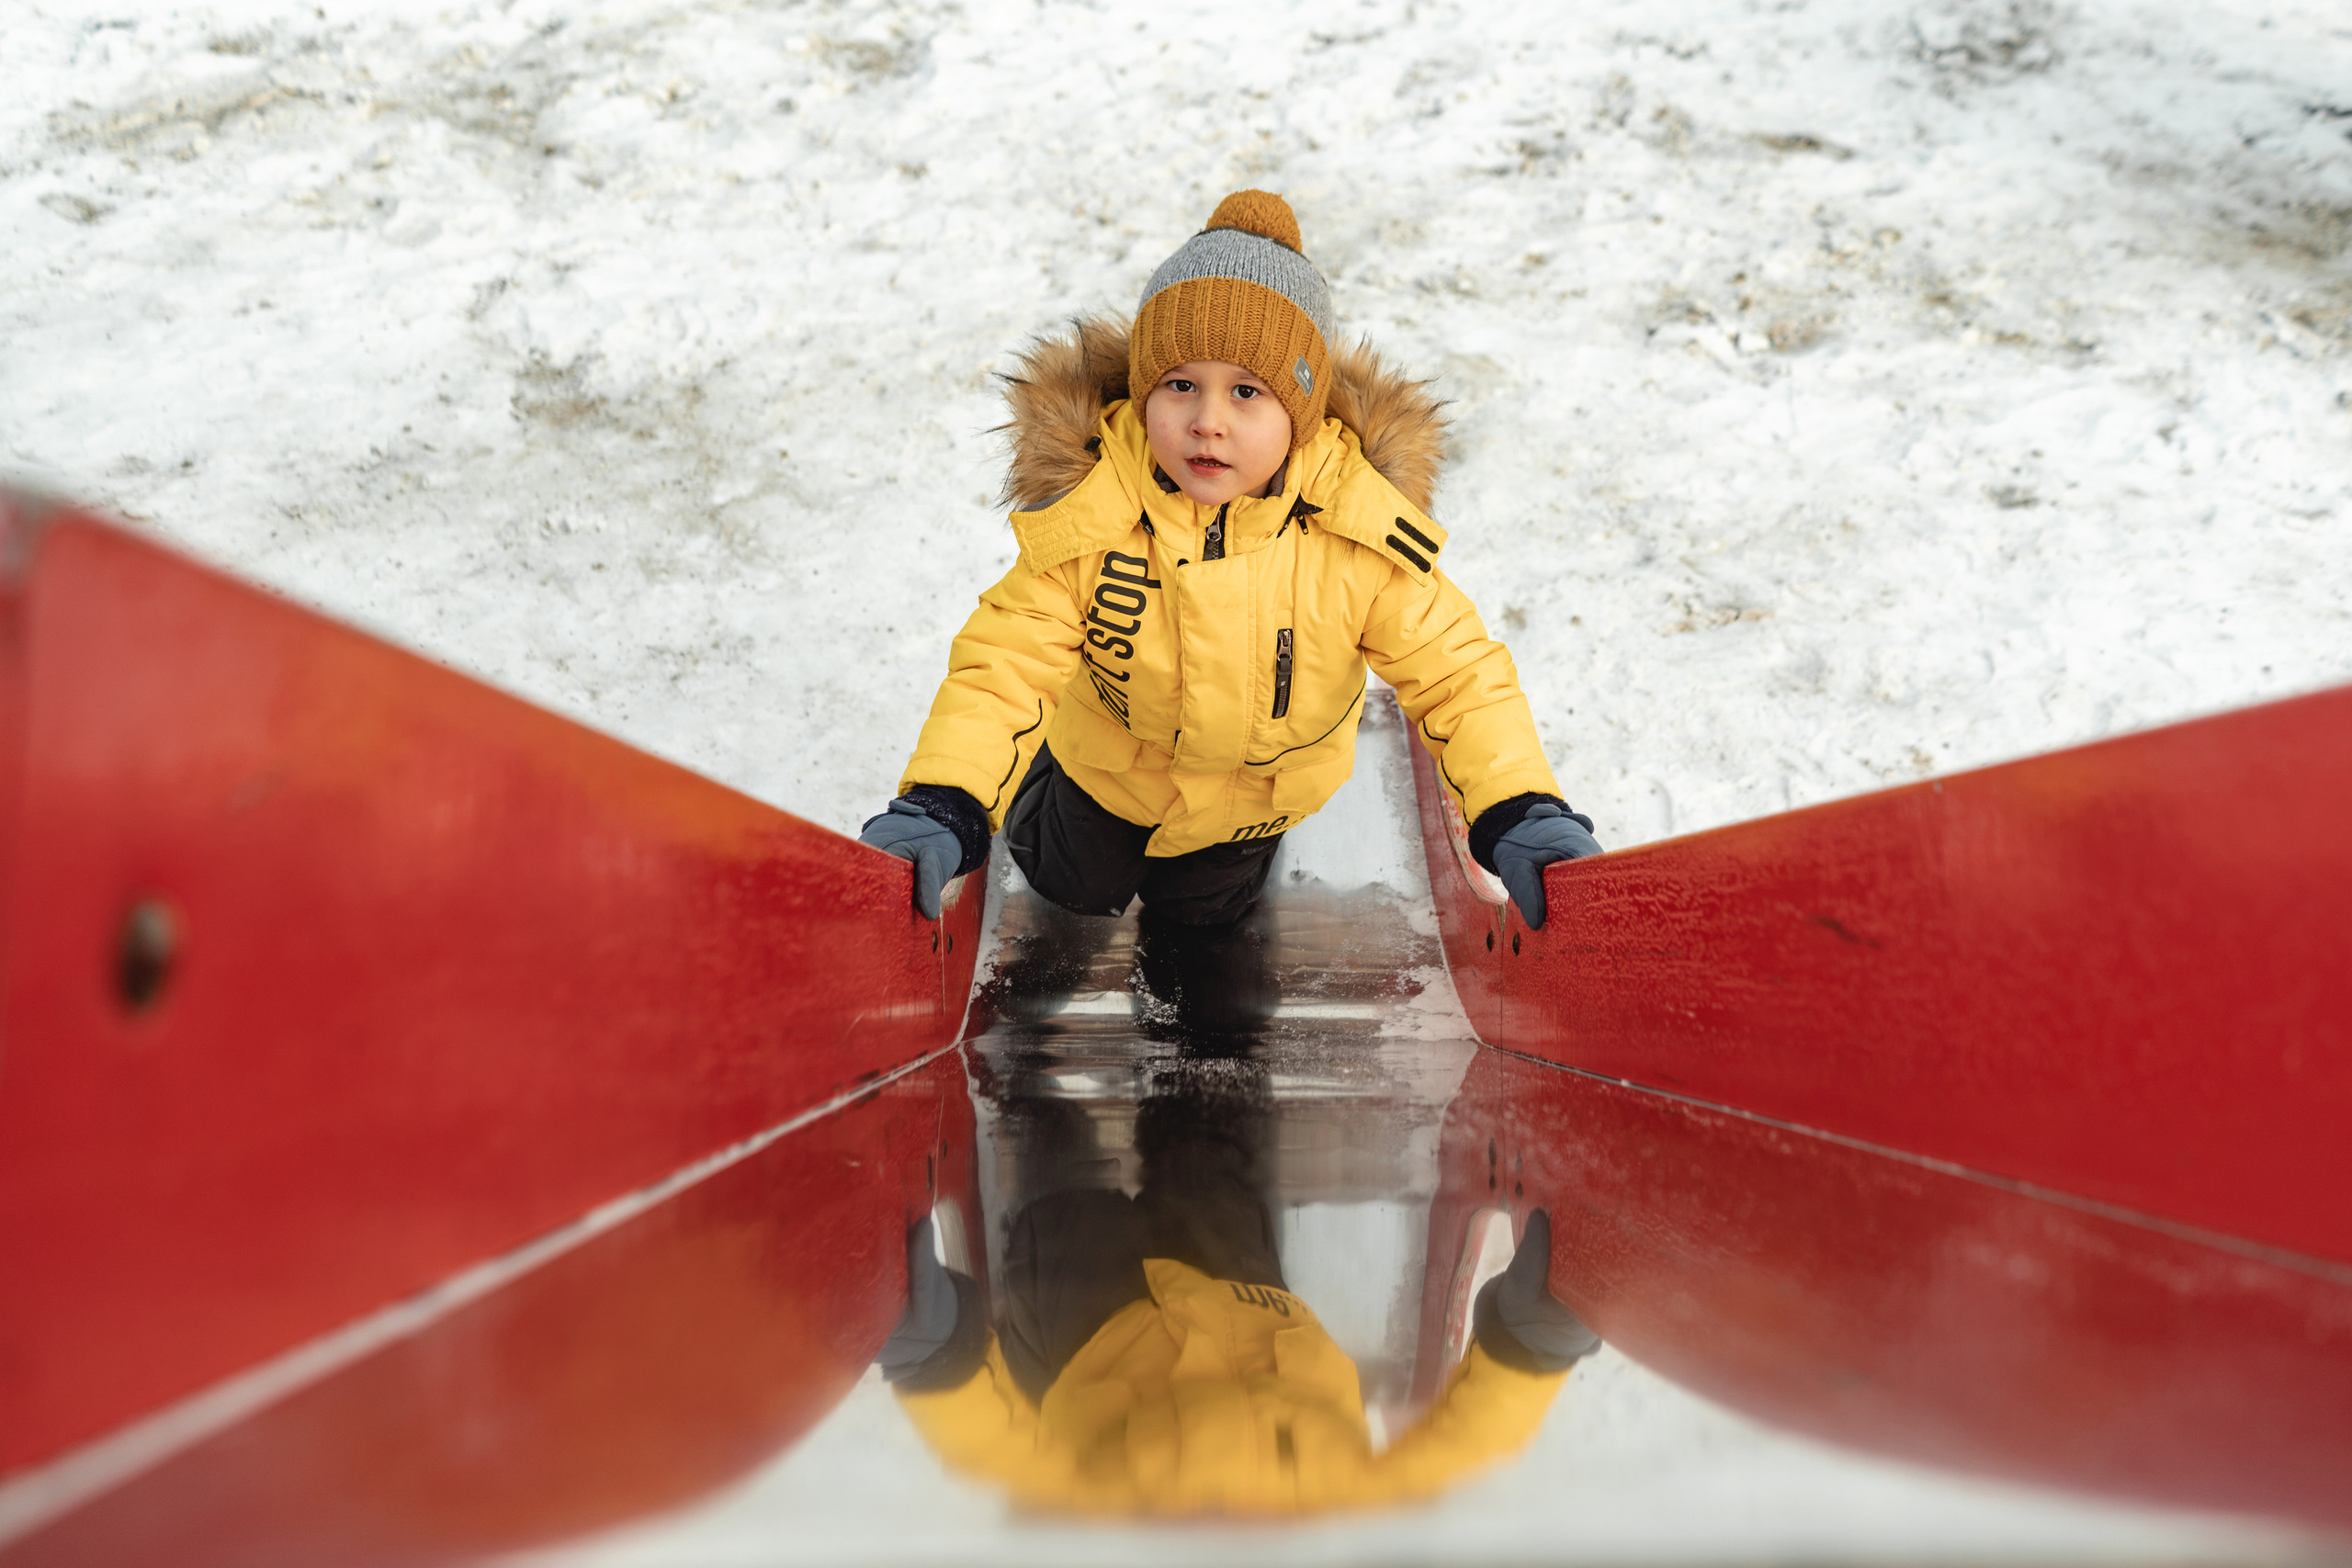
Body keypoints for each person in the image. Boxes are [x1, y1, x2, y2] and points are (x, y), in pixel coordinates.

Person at [859, 191, 1600, 942]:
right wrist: (943, 798)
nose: (1208, 420)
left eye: (1247, 391)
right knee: (1068, 881)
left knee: (1202, 916)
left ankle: (1215, 881)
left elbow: (1459, 675)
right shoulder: (1094, 514)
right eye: (1180, 385)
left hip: (1256, 803)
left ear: (1301, 414)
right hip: (1109, 774)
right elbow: (1006, 663)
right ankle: (1039, 781)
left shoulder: (1357, 535)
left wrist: (1517, 807)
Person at [875, 1059, 1600, 1517]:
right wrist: (1526, 1351)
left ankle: (1036, 1089)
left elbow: (1015, 1470)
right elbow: (1453, 1459)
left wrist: (940, 1365)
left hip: (1090, 1339)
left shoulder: (1120, 1531)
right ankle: (1199, 994)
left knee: (1053, 1169)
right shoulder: (1342, 1523)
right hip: (1252, 1308)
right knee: (1207, 1135)